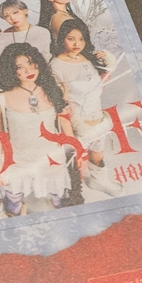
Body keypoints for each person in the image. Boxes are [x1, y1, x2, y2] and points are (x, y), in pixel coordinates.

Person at [0, 43, 78, 216]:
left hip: (51, 156)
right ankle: (15, 210)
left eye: (31, 63)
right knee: (13, 199)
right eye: (19, 67)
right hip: (17, 159)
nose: (28, 70)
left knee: (59, 194)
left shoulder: (54, 88)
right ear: (10, 70)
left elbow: (64, 120)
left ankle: (60, 206)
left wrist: (77, 149)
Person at [50, 18, 120, 196]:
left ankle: (99, 181)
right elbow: (59, 100)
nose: (77, 44)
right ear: (62, 39)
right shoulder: (56, 65)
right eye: (71, 39)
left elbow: (102, 82)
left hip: (97, 116)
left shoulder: (87, 57)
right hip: (76, 122)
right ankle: (71, 192)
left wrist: (107, 60)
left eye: (81, 39)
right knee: (76, 159)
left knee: (98, 152)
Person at [0, 0, 51, 69]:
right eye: (7, 16)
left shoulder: (42, 32)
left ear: (25, 11)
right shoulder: (3, 37)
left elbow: (46, 58)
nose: (12, 18)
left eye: (15, 12)